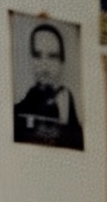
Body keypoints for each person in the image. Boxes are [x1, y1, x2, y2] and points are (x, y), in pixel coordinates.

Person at [13, 22, 84, 151]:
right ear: (31, 60)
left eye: (52, 56)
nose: (44, 64)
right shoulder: (23, 105)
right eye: (37, 55)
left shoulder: (66, 99)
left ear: (62, 61)